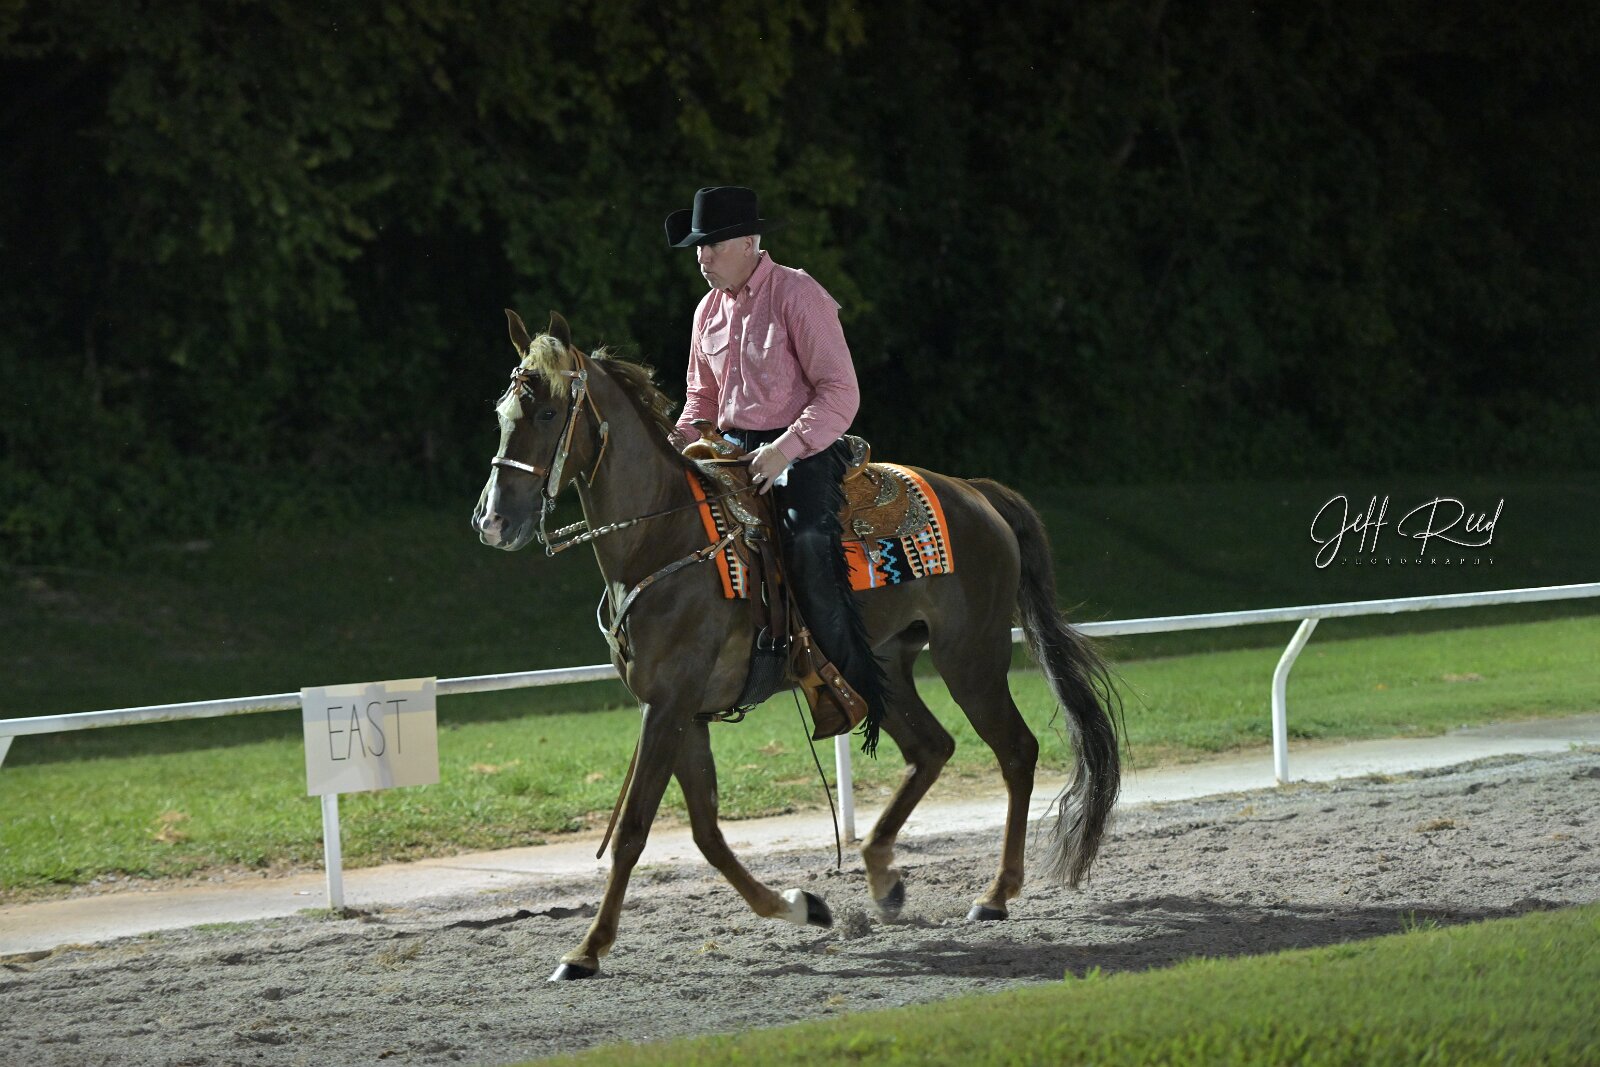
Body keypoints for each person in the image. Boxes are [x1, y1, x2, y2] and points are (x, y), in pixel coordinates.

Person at [664, 185, 885, 736]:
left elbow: (840, 392)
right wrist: (673, 444)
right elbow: (701, 400)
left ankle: (843, 681)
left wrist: (784, 449)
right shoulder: (707, 311)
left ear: (747, 242)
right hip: (729, 451)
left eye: (712, 245)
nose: (701, 257)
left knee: (806, 539)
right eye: (698, 247)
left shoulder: (797, 293)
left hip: (802, 447)